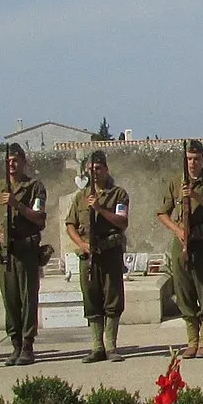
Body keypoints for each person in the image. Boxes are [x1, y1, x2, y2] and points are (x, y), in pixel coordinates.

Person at [161, 141, 203, 358]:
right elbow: (162, 212)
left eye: (196, 158)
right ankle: (192, 340)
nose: (192, 163)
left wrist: (196, 196)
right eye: (189, 159)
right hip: (181, 242)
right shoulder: (175, 182)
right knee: (183, 291)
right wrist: (176, 230)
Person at [0, 145, 50, 365]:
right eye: (8, 161)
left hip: (26, 251)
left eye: (15, 160)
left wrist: (17, 205)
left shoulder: (34, 187)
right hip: (6, 253)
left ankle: (27, 344)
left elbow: (39, 218)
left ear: (24, 161)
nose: (11, 165)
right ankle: (14, 343)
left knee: (28, 298)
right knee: (10, 300)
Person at [65, 151, 130, 362]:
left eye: (98, 168)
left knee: (112, 298)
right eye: (90, 169)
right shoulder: (80, 196)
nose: (94, 172)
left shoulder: (118, 194)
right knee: (92, 299)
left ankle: (111, 346)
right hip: (88, 256)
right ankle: (96, 346)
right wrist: (81, 244)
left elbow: (122, 222)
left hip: (110, 252)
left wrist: (99, 209)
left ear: (106, 170)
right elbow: (71, 225)